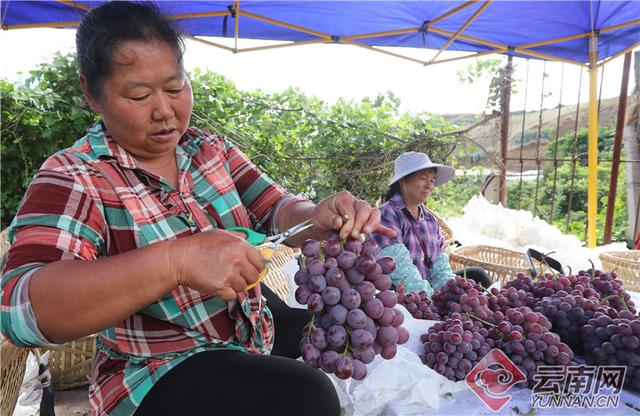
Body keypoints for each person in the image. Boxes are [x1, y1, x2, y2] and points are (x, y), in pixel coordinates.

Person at [0, 3, 395, 416]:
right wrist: (175, 261)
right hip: (154, 370)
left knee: (339, 327)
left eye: (174, 88)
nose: (165, 111)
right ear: (91, 93)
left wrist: (317, 216)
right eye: (139, 95)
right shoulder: (75, 175)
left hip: (245, 335)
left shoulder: (209, 150)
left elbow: (277, 209)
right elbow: (22, 311)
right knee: (303, 394)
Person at [372, 152, 491, 296]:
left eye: (432, 180)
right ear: (403, 181)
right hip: (402, 297)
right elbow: (401, 272)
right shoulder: (386, 215)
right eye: (423, 179)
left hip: (428, 291)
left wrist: (450, 294)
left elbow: (441, 269)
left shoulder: (430, 220)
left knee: (478, 275)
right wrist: (430, 301)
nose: (429, 186)